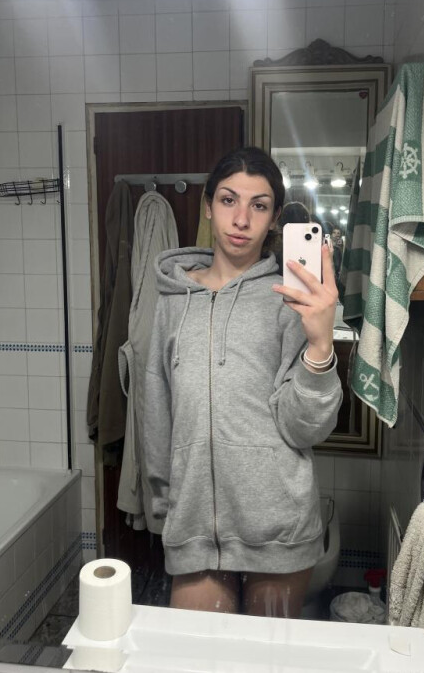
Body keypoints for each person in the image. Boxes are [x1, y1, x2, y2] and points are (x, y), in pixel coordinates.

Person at [141, 146, 343, 618]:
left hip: (278, 527)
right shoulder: (172, 299)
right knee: (197, 652)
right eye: (228, 200)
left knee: (268, 655)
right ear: (207, 206)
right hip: (194, 525)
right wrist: (167, 507)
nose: (241, 219)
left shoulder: (290, 299)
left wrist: (320, 343)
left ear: (274, 219)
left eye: (259, 205)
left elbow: (304, 429)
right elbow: (157, 407)